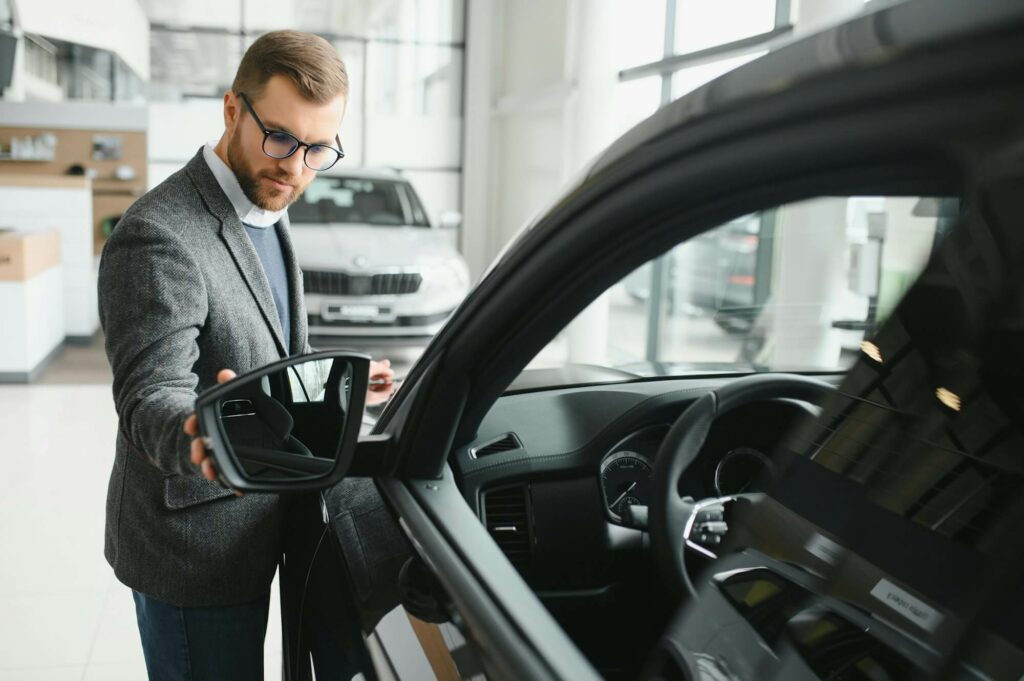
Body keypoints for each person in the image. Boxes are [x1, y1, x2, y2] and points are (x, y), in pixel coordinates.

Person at [98, 30, 394, 679]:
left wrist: (332, 384)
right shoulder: (159, 235)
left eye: (319, 148)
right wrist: (201, 433)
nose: (296, 165)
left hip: (264, 522)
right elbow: (149, 397)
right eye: (281, 137)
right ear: (233, 110)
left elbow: (273, 349)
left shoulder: (268, 206)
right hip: (193, 546)